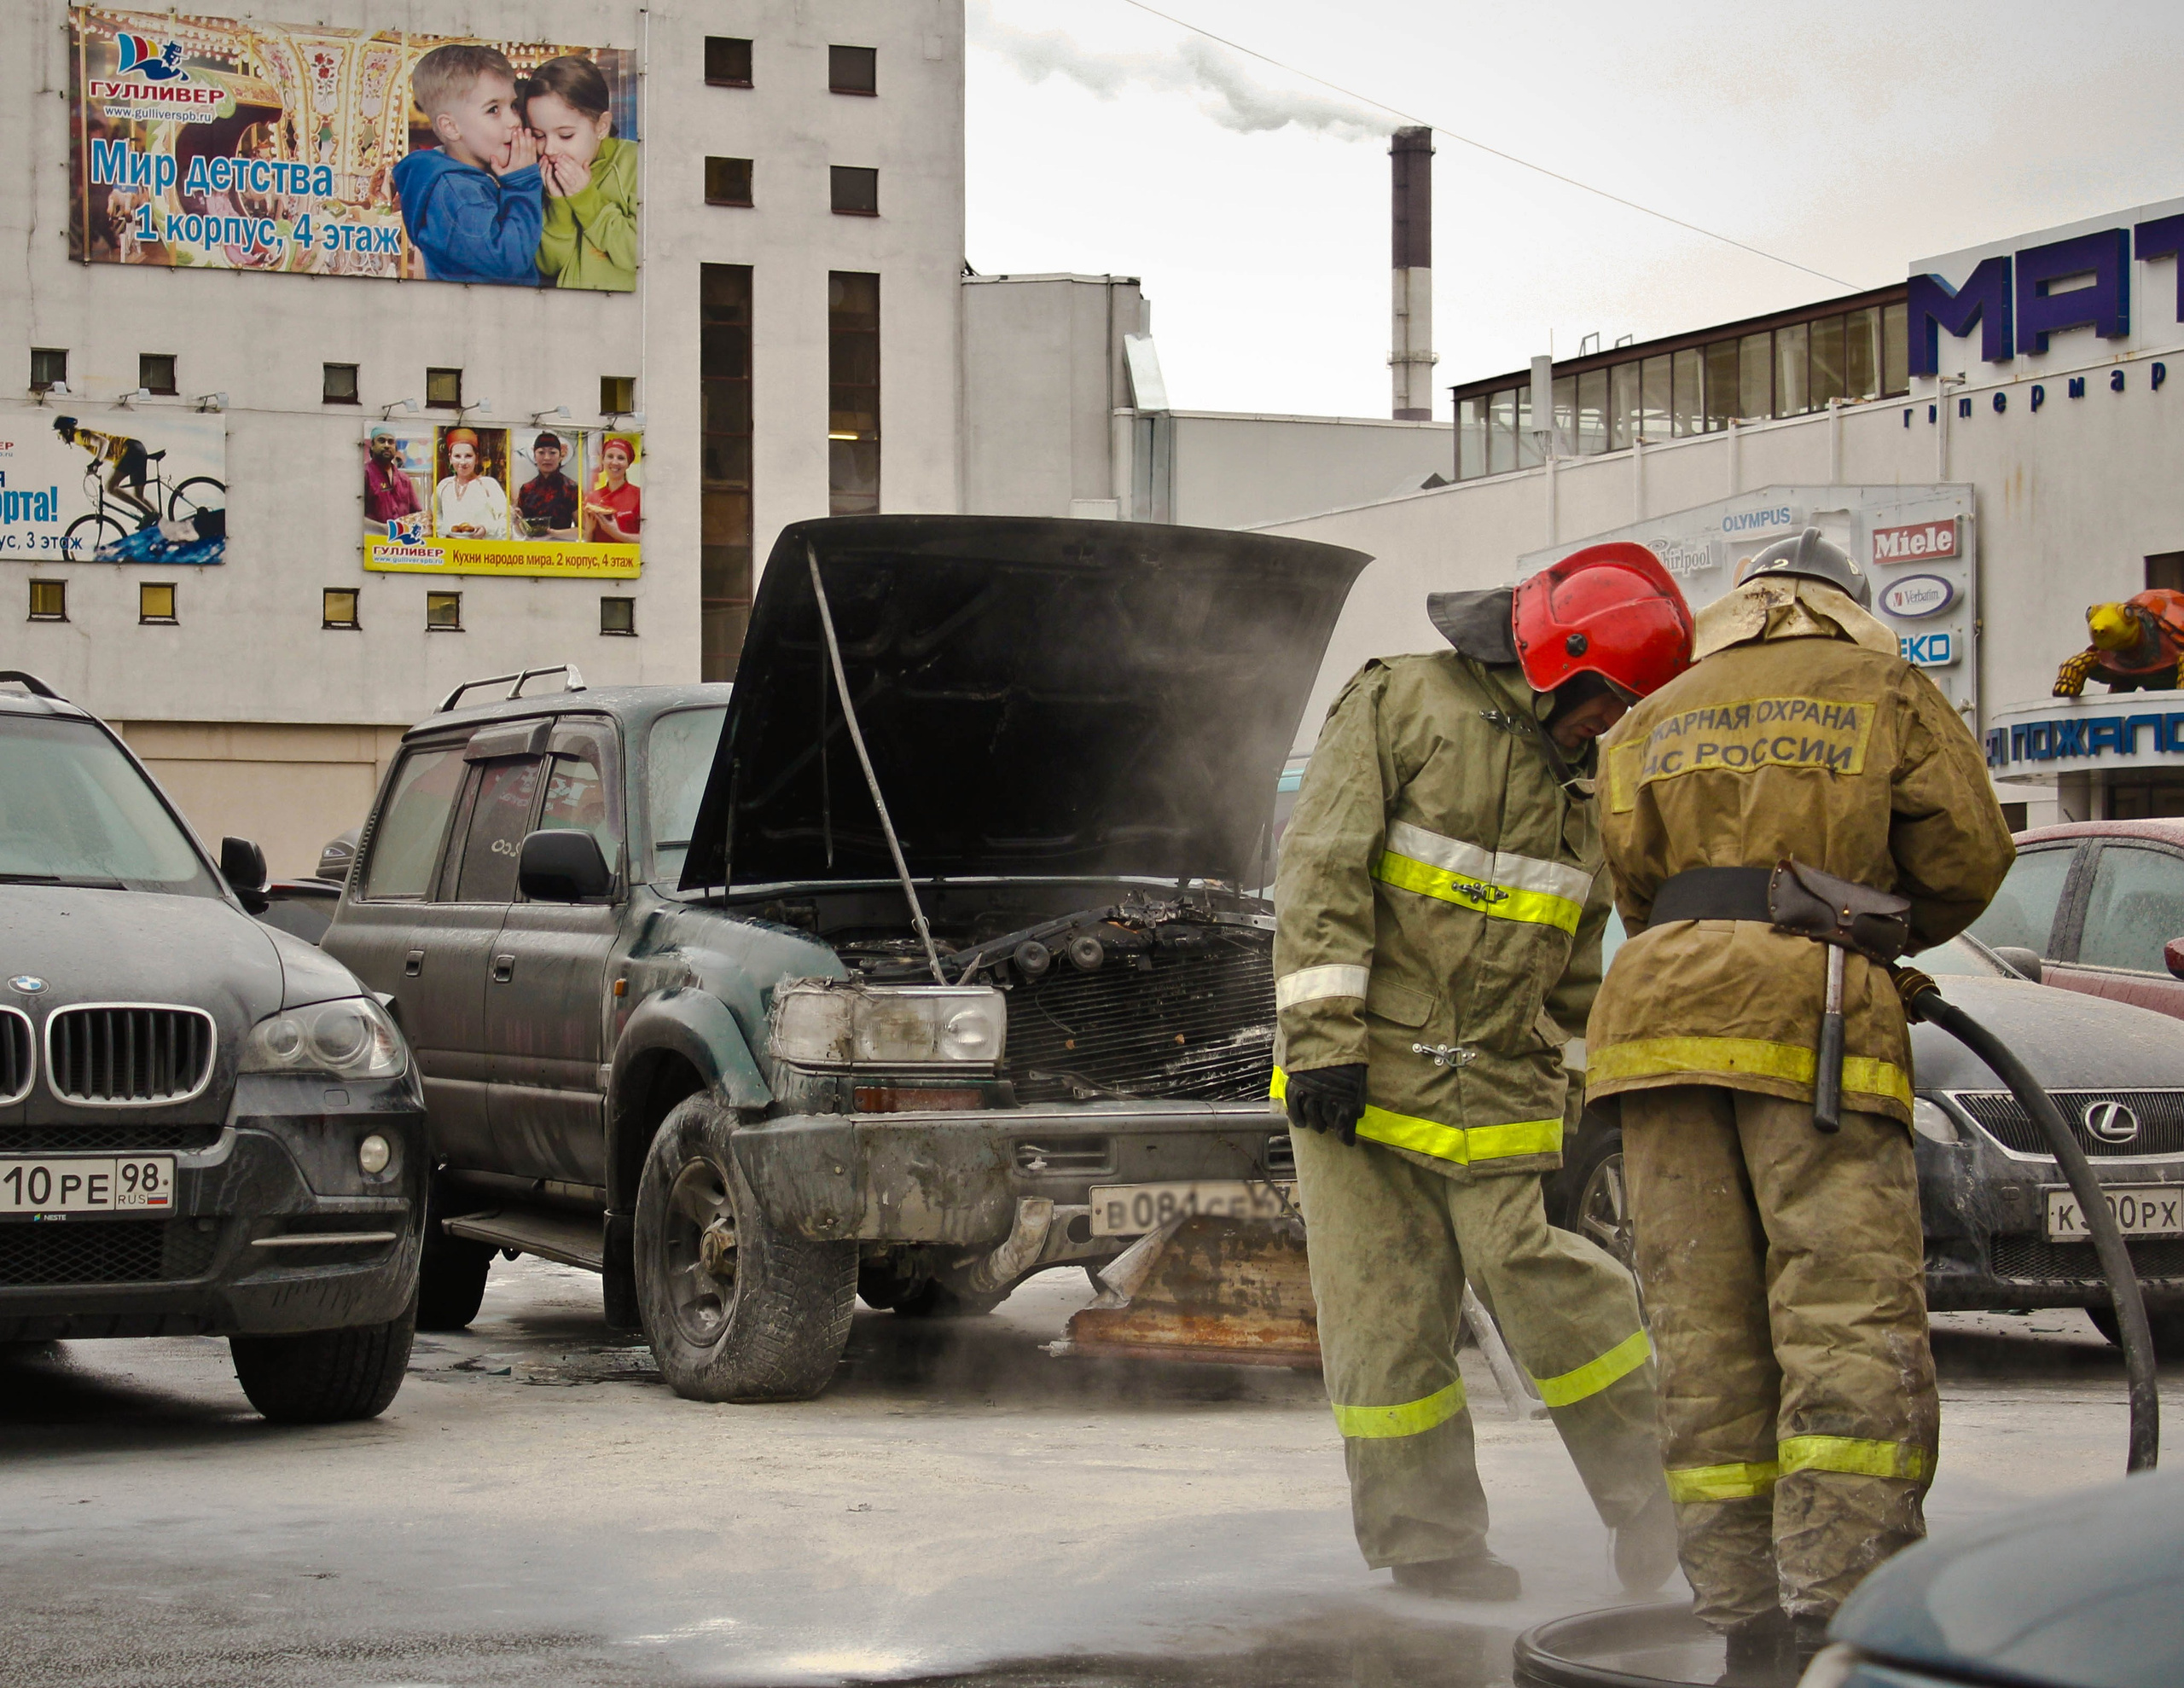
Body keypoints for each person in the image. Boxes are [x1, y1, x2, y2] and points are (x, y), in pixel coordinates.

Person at [1586, 530, 2013, 1676]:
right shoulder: (1880, 684)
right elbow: (1970, 854)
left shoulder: (1658, 705)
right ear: (1849, 607)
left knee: (1705, 1329)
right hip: (1812, 1015)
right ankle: (1845, 1611)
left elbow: (1631, 880)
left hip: (1659, 1020)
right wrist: (1868, 927)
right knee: (1842, 1317)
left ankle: (1741, 1622)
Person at [1274, 542, 1695, 1602]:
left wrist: (1574, 1082)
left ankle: (1664, 1507)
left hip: (1500, 1075)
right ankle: (1428, 1542)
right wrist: (1321, 1039)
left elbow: (1577, 950)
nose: (1611, 728)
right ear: (1561, 660)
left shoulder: (1586, 779)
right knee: (1384, 1310)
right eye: (1607, 703)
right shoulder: (1403, 700)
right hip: (1359, 1075)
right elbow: (1321, 862)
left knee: (1540, 1276)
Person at [391, 44, 543, 286]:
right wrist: (523, 185)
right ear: (450, 127)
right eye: (493, 109)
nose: (514, 120)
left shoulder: (473, 176)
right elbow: (508, 264)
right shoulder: (456, 194)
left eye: (513, 106)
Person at [520, 55, 638, 293]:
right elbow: (549, 266)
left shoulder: (634, 163)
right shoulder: (543, 174)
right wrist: (559, 208)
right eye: (539, 135)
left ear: (601, 126)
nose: (550, 150)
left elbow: (641, 256)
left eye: (565, 135)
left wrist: (586, 199)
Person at [52, 415, 159, 530]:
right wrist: (97, 463)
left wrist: (96, 462)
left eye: (59, 434)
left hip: (130, 450)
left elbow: (104, 443)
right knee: (138, 496)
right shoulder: (80, 437)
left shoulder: (79, 436)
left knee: (109, 487)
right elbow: (105, 449)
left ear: (67, 431)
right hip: (137, 448)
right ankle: (161, 522)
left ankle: (149, 515)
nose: (59, 437)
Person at [433, 427, 508, 539]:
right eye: (457, 456)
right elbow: (435, 516)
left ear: (476, 458)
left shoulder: (489, 485)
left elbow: (507, 520)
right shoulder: (443, 486)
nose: (463, 462)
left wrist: (486, 529)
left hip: (480, 552)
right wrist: (445, 532)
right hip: (450, 551)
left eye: (468, 456)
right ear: (450, 459)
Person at [514, 432, 579, 537]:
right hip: (532, 551)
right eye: (541, 452)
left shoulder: (571, 488)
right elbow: (521, 532)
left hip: (562, 551)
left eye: (552, 453)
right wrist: (517, 521)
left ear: (560, 457)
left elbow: (583, 532)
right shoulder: (526, 489)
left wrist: (553, 534)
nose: (547, 458)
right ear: (535, 456)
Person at [584, 435, 640, 542]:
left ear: (628, 464)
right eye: (610, 456)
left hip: (629, 558)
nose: (614, 462)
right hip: (600, 558)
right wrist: (589, 531)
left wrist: (617, 534)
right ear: (603, 461)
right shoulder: (592, 498)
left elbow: (649, 540)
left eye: (621, 458)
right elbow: (588, 545)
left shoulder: (640, 496)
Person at [363, 426, 423, 527]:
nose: (387, 445)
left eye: (390, 442)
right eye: (381, 441)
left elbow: (417, 513)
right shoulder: (364, 474)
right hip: (372, 540)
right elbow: (353, 516)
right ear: (372, 446)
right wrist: (382, 528)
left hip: (401, 540)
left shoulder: (404, 479)